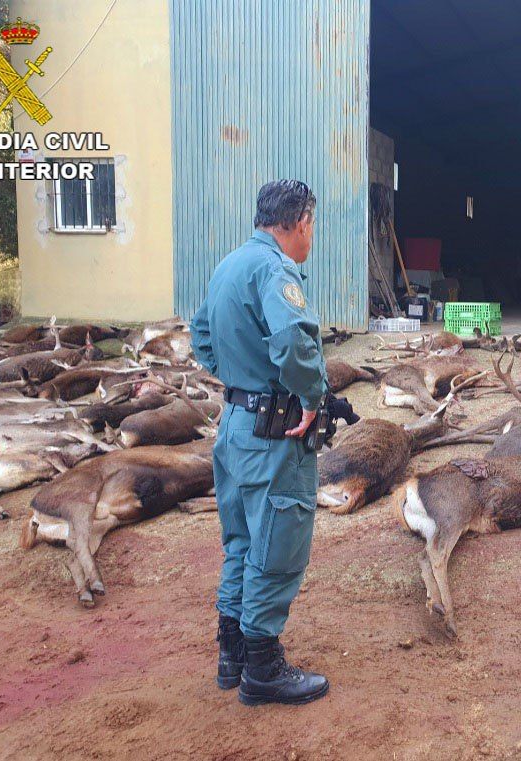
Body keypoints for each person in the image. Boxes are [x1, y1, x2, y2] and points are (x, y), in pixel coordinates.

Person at [190, 179, 329, 706]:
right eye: (311, 227)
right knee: (279, 539)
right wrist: (312, 394)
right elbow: (293, 339)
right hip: (275, 433)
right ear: (298, 222)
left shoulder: (230, 264)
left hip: (234, 426)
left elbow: (201, 334)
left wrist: (236, 375)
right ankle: (264, 669)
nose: (311, 238)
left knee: (243, 539)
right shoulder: (275, 269)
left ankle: (233, 655)